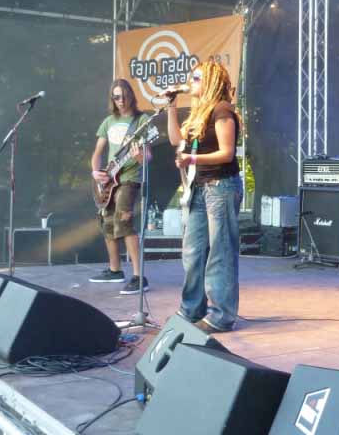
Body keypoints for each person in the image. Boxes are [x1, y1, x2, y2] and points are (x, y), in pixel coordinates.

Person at [167, 60, 243, 334]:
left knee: (220, 252)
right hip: (199, 187)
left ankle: (221, 316)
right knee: (193, 252)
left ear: (211, 81)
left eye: (197, 78)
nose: (191, 82)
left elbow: (227, 153)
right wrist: (171, 106)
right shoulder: (199, 113)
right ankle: (192, 309)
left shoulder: (222, 110)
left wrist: (192, 158)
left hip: (221, 186)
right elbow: (175, 140)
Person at [90, 79, 150, 295]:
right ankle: (115, 270)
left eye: (124, 96)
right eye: (116, 97)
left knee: (123, 222)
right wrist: (96, 173)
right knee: (107, 222)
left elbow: (147, 157)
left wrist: (139, 155)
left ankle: (139, 277)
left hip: (130, 178)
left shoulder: (141, 120)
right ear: (112, 99)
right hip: (109, 179)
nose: (121, 101)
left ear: (131, 96)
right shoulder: (108, 122)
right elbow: (97, 153)